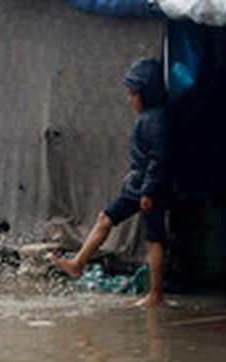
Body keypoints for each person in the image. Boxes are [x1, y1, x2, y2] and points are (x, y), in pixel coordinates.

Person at [51, 57, 169, 307]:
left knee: (154, 239)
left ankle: (156, 295)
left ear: (145, 93)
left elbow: (158, 158)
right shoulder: (149, 117)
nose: (130, 99)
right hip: (138, 186)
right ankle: (78, 263)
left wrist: (148, 190)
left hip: (148, 188)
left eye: (132, 94)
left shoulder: (155, 120)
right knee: (106, 218)